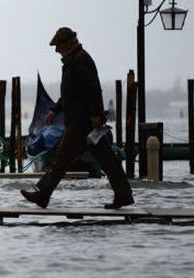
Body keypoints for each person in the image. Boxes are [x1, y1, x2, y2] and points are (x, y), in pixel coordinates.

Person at [20, 27, 134, 209]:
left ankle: (43, 194)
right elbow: (69, 95)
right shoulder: (73, 61)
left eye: (57, 45)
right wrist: (54, 111)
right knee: (106, 160)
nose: (56, 50)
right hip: (79, 122)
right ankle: (123, 194)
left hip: (83, 123)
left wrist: (96, 116)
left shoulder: (81, 61)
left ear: (68, 43)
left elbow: (93, 90)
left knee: (62, 159)